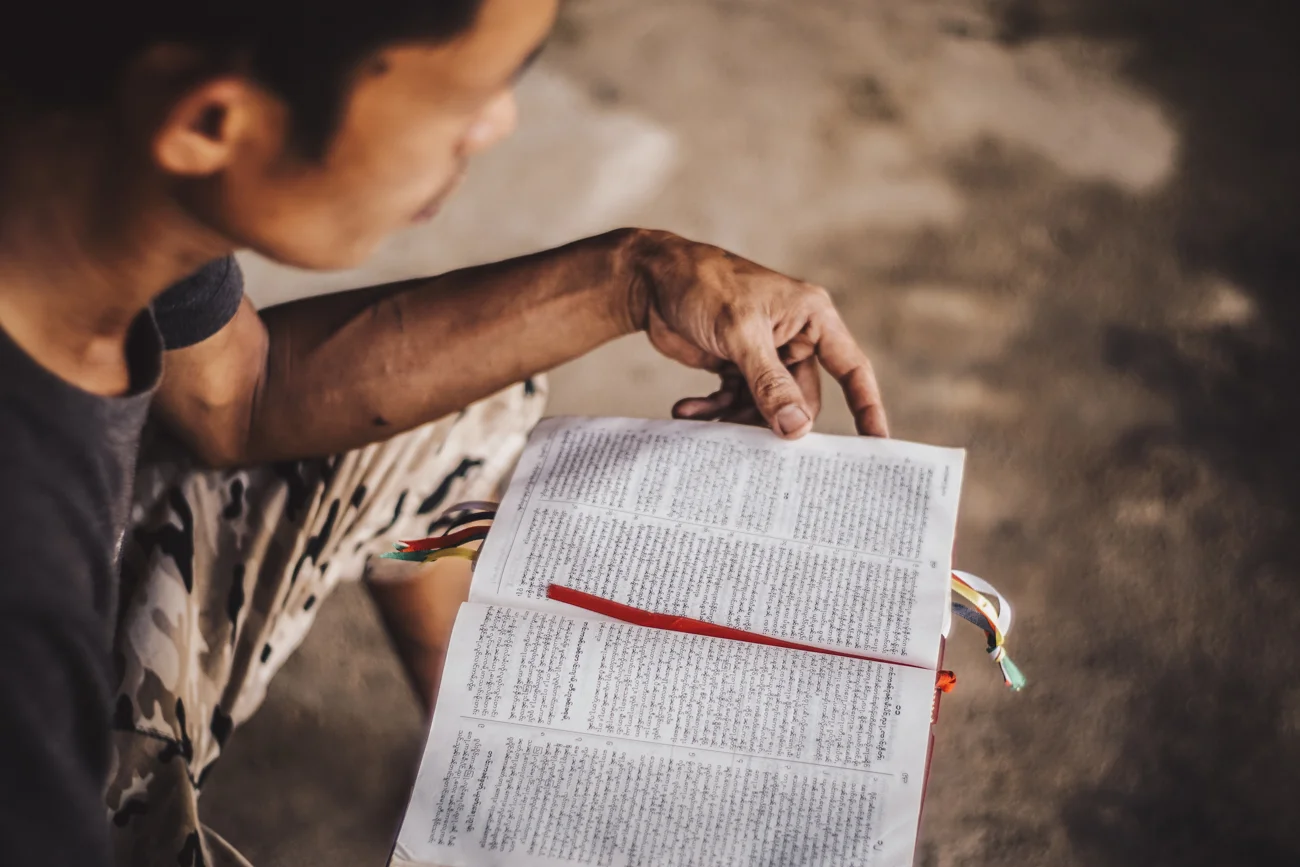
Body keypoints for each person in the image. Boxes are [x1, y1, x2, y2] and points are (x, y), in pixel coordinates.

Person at [0, 0, 889, 864]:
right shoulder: (25, 583)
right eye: (466, 98)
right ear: (209, 122)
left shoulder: (84, 178)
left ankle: (497, 787)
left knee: (453, 399)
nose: (496, 125)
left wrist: (638, 274)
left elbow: (236, 395)